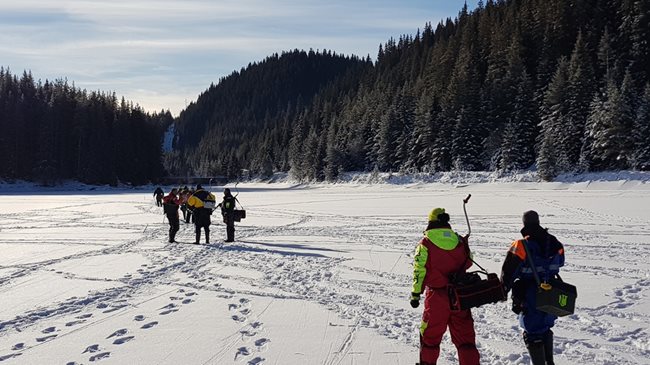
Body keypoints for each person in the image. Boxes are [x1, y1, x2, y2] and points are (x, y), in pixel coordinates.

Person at [410, 208, 480, 365]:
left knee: (430, 338)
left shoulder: (425, 243)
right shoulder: (459, 240)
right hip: (459, 297)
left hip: (436, 298)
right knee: (466, 340)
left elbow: (419, 270)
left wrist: (415, 294)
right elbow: (468, 262)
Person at [500, 210, 565, 365]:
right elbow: (560, 262)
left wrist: (503, 290)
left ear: (524, 224)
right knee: (545, 328)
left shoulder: (521, 245)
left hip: (530, 294)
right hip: (551, 292)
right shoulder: (555, 242)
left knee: (532, 331)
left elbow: (509, 271)